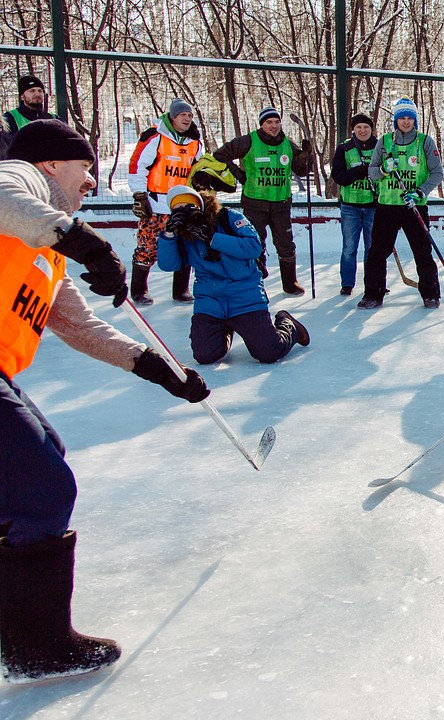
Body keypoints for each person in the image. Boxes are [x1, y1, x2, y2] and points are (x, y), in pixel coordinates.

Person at [0, 119, 209, 683]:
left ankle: (20, 628)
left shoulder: (44, 250)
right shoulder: (19, 179)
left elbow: (82, 327)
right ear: (50, 165)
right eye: (84, 168)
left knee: (41, 461)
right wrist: (85, 242)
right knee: (41, 489)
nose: (91, 181)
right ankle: (35, 647)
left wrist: (154, 367)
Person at [156, 178, 310, 364]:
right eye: (178, 209)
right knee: (205, 355)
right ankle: (224, 330)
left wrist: (212, 238)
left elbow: (253, 247)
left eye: (189, 206)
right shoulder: (182, 233)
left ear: (199, 204)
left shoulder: (228, 217)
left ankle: (289, 325)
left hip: (244, 294)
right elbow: (169, 265)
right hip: (210, 299)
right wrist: (168, 234)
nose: (186, 212)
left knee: (268, 352)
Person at [213, 106, 313, 296]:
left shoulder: (287, 143)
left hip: (281, 203)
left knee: (285, 243)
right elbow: (220, 155)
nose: (274, 126)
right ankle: (255, 281)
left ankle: (290, 283)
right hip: (255, 202)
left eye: (277, 122)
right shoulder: (248, 141)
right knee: (254, 242)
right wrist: (239, 175)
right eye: (269, 122)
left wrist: (306, 155)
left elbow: (302, 170)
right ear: (261, 124)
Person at [359, 97, 444, 309]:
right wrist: (383, 170)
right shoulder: (384, 142)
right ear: (396, 120)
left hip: (413, 206)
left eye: (409, 118)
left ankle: (430, 293)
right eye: (402, 118)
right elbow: (371, 172)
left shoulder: (424, 142)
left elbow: (437, 173)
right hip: (387, 206)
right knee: (377, 252)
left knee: (422, 251)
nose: (406, 122)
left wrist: (420, 192)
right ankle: (373, 294)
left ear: (414, 120)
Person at [126, 98, 205, 306]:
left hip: (183, 204)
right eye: (182, 115)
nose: (187, 119)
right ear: (172, 117)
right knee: (148, 245)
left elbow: (200, 169)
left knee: (185, 244)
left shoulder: (195, 142)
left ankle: (181, 290)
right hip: (156, 203)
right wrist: (139, 194)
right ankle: (139, 290)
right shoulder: (155, 136)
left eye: (190, 115)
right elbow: (137, 165)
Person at [330, 112, 378, 296]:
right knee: (349, 248)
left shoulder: (380, 147)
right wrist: (358, 172)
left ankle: (373, 283)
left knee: (372, 248)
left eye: (366, 127)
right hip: (350, 206)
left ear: (371, 129)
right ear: (353, 129)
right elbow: (338, 176)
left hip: (373, 206)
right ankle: (347, 283)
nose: (362, 130)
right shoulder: (345, 148)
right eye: (358, 127)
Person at [0, 76, 55, 160]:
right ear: (22, 96)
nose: (37, 94)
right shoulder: (9, 118)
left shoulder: (54, 118)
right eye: (32, 91)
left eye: (40, 91)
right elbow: (10, 148)